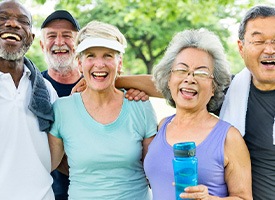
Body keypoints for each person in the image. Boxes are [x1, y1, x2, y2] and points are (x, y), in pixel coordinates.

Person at [47, 20, 157, 199]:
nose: (99, 64)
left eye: (108, 55)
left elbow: (155, 171)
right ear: (79, 63)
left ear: (119, 63)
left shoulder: (140, 106)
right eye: (90, 55)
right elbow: (48, 164)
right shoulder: (61, 109)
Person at [143, 29, 252, 199]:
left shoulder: (229, 137)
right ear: (169, 79)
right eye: (181, 70)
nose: (190, 78)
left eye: (201, 73)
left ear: (214, 86)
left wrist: (209, 199)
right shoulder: (162, 125)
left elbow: (244, 197)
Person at [0, 0, 57, 199]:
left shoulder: (47, 90)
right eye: (3, 18)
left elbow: (57, 151)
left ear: (31, 38)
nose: (13, 24)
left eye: (23, 21)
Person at [219, 5, 275, 199]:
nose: (270, 49)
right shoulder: (230, 93)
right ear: (241, 48)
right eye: (258, 41)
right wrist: (119, 84)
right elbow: (171, 84)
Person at [40, 10, 81, 200]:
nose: (59, 42)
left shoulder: (97, 86)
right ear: (42, 45)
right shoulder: (32, 87)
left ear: (79, 45)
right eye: (51, 36)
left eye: (67, 36)